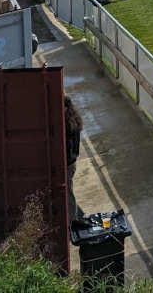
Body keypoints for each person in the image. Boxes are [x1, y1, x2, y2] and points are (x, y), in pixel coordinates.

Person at [64, 95, 85, 225]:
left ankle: (73, 219)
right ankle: (77, 215)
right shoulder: (73, 120)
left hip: (68, 163)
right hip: (71, 162)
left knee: (68, 191)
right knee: (68, 190)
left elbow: (69, 146)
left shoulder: (67, 124)